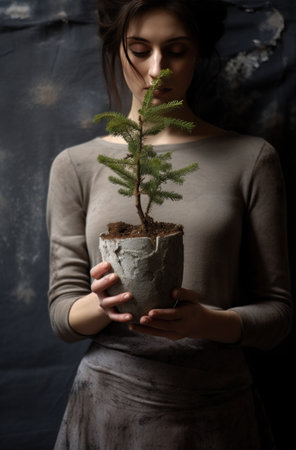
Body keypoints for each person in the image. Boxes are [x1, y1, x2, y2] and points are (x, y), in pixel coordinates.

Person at [46, 1, 293, 448]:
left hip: (217, 407)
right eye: (139, 50)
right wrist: (101, 305)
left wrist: (204, 323)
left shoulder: (252, 158)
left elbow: (277, 316)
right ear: (116, 51)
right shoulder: (75, 166)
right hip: (108, 406)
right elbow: (62, 316)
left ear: (197, 52)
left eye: (175, 50)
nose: (156, 70)